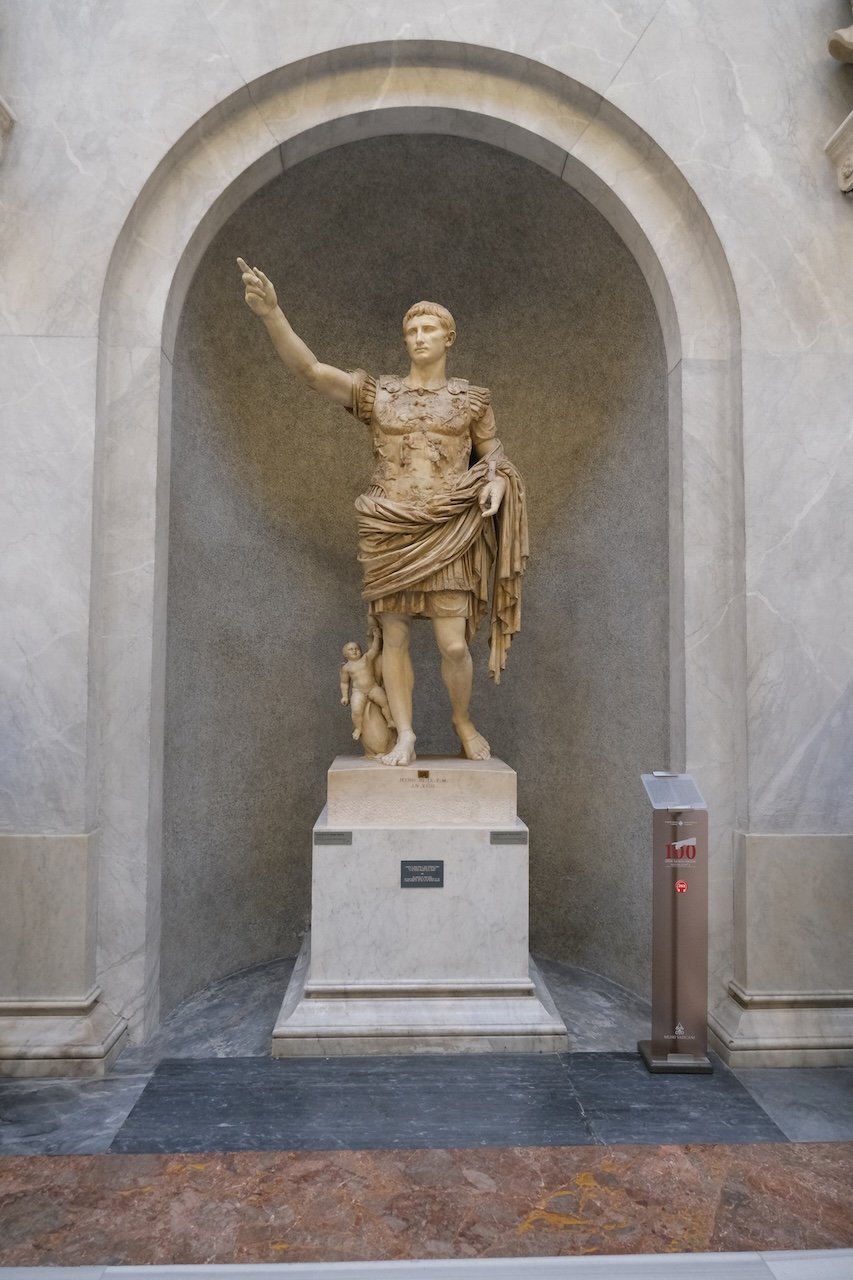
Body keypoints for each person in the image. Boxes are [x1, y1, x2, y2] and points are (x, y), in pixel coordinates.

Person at [237, 258, 528, 766]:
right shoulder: (380, 396)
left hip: (448, 529)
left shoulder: (472, 401)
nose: (418, 337)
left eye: (429, 328)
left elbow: (497, 459)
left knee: (453, 645)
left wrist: (498, 486)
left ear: (448, 338)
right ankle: (407, 735)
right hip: (389, 526)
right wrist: (272, 315)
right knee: (392, 636)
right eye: (411, 329)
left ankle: (461, 720)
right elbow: (311, 372)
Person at [340, 628, 395, 743]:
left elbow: (374, 649)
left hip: (373, 687)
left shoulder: (366, 658)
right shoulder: (346, 667)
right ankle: (358, 728)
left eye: (357, 649)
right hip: (358, 691)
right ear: (345, 654)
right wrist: (345, 696)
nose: (355, 651)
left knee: (385, 702)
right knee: (356, 710)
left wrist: (376, 637)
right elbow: (344, 683)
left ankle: (390, 720)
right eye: (351, 650)